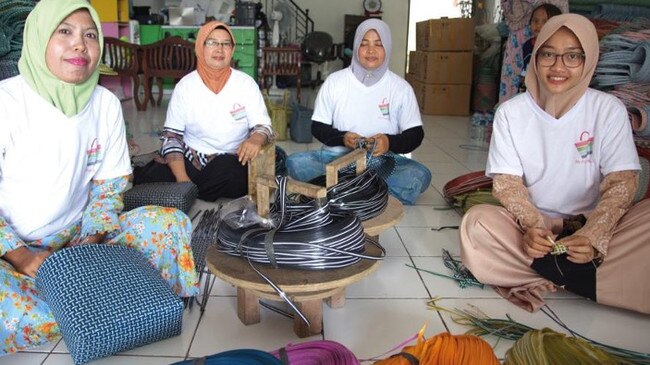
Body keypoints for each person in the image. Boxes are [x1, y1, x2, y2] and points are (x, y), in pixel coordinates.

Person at [0, 0, 199, 354]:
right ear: (38, 38)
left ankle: (87, 298)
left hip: (80, 235)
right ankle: (107, 301)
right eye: (65, 32)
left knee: (169, 224)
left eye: (90, 35)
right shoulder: (7, 102)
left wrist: (91, 240)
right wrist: (21, 256)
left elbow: (110, 186)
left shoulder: (104, 103)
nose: (80, 44)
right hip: (11, 249)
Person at [460, 14, 650, 315]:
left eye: (573, 56)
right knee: (477, 223)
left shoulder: (608, 109)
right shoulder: (511, 113)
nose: (558, 66)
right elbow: (507, 184)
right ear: (536, 56)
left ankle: (549, 273)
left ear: (588, 60)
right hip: (534, 231)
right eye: (548, 54)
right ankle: (594, 281)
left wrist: (593, 235)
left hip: (591, 224)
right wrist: (532, 227)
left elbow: (622, 182)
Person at [285, 19, 431, 205]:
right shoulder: (335, 82)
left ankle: (342, 189)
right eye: (364, 44)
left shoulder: (400, 88)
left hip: (383, 161)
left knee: (419, 175)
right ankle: (371, 191)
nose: (371, 50)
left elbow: (415, 134)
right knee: (295, 163)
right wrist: (343, 138)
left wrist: (388, 142)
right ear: (355, 48)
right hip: (337, 160)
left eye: (378, 44)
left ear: (387, 48)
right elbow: (317, 127)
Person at [133, 21, 273, 202]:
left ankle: (189, 190)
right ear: (200, 47)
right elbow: (172, 137)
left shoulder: (245, 84)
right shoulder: (186, 86)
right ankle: (191, 187)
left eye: (225, 44)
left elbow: (263, 126)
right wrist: (182, 179)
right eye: (212, 42)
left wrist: (255, 138)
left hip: (230, 160)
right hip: (192, 157)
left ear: (232, 49)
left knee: (233, 173)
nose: (219, 49)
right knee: (149, 178)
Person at [519, 3, 562, 92]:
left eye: (545, 22)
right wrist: (523, 78)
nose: (539, 25)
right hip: (529, 88)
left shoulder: (557, 47)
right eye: (535, 21)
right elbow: (526, 64)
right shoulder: (528, 44)